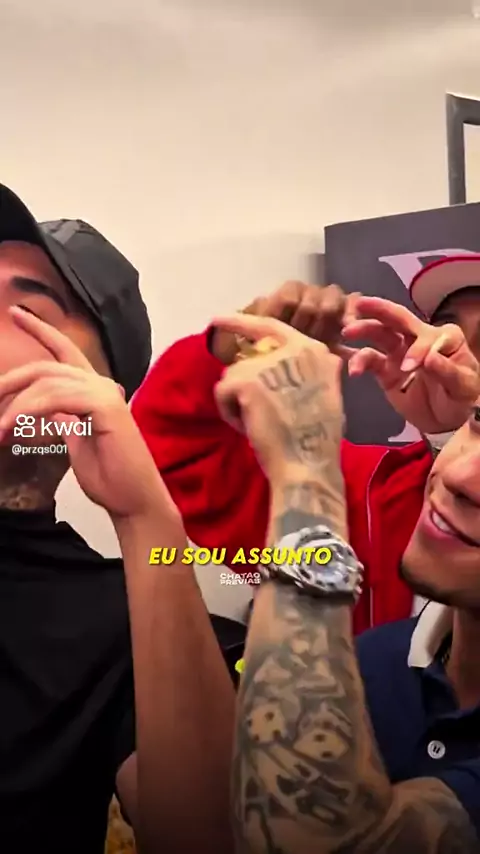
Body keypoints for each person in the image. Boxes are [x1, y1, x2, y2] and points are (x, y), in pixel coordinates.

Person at [0, 184, 235, 854]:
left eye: (26, 310)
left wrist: (146, 516)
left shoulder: (132, 629)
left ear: (96, 394)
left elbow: (208, 836)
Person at [217, 311, 480, 854]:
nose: (457, 475)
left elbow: (309, 839)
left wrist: (306, 470)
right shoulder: (376, 659)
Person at [132, 267, 480, 632]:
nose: (455, 352)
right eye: (444, 328)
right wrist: (231, 345)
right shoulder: (370, 487)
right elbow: (173, 452)